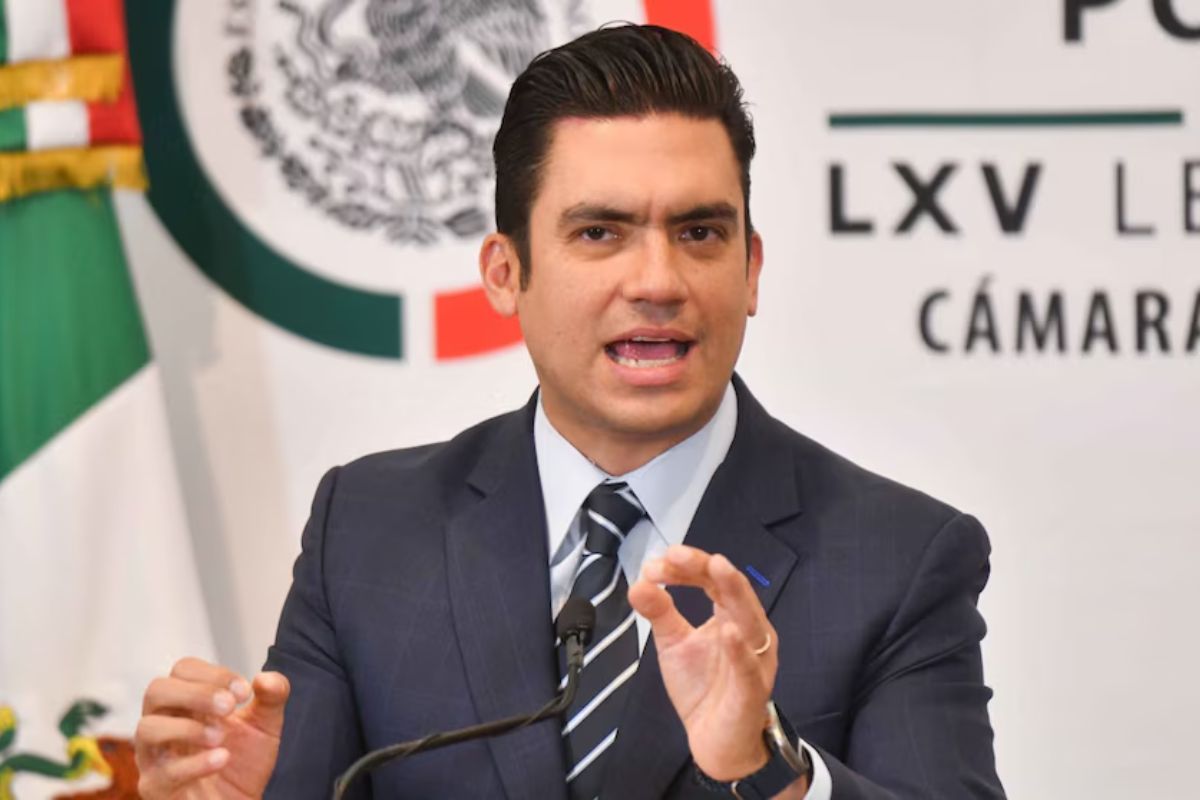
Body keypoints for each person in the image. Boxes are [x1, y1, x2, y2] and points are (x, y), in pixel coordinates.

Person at [134, 24, 1004, 800]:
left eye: (700, 233)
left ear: (751, 271)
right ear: (505, 273)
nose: (658, 281)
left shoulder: (899, 556)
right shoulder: (367, 530)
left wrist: (773, 771)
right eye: (600, 233)